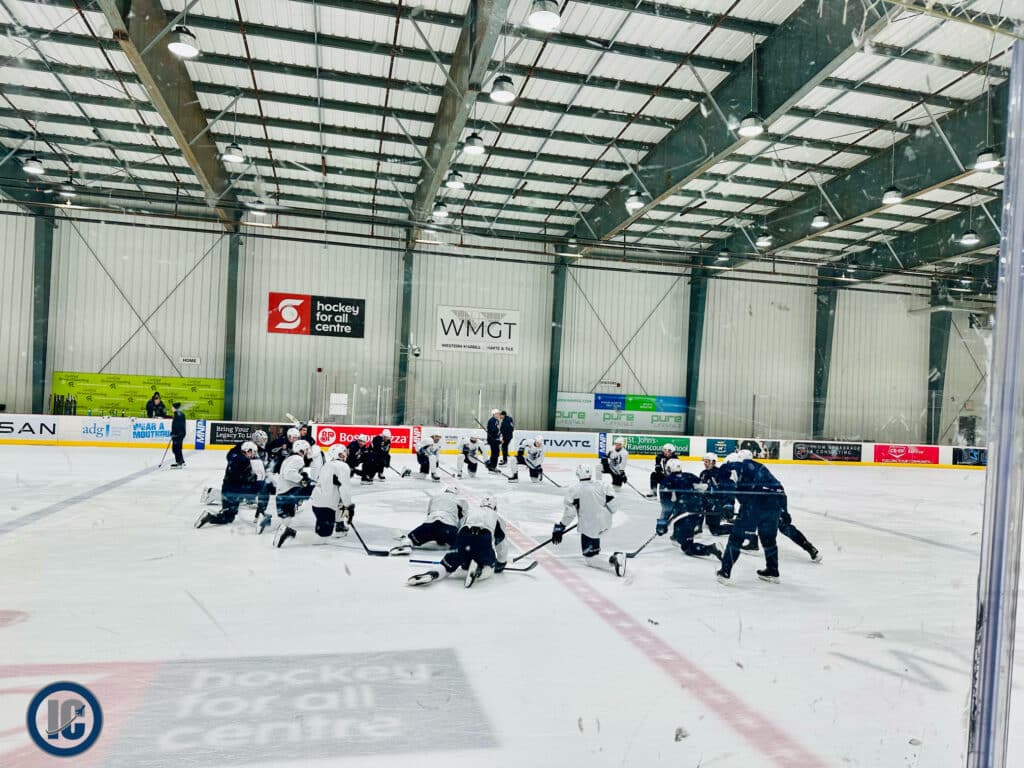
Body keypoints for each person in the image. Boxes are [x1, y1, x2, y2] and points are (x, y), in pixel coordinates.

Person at [716, 452, 790, 584]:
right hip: (774, 505)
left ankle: (725, 572)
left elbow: (728, 484)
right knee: (768, 539)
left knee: (736, 538)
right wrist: (784, 511)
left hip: (754, 504)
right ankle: (773, 571)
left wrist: (728, 504)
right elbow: (779, 488)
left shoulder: (730, 466)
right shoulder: (760, 467)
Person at [407, 494, 508, 588]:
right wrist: (501, 563)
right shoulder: (497, 518)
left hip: (463, 537)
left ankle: (432, 574)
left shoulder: (471, 512)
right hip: (482, 537)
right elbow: (502, 544)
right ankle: (478, 573)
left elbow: (460, 528)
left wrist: (463, 558)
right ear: (495, 507)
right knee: (489, 567)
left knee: (446, 565)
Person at [273, 444, 354, 548]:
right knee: (322, 538)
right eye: (344, 452)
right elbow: (345, 489)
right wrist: (349, 506)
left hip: (317, 504)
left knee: (326, 526)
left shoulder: (327, 465)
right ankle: (289, 532)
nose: (346, 454)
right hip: (327, 506)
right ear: (340, 454)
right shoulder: (343, 466)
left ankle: (339, 526)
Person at [554, 464, 626, 577]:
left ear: (578, 474)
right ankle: (602, 553)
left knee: (590, 558)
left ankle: (614, 559)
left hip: (589, 527)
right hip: (605, 524)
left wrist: (561, 526)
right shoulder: (603, 485)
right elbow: (614, 507)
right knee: (594, 543)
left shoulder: (574, 490)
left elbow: (570, 514)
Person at [655, 459, 722, 560]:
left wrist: (661, 524)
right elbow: (706, 488)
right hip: (698, 510)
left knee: (687, 547)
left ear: (668, 469)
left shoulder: (666, 482)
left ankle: (713, 548)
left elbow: (667, 507)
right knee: (681, 525)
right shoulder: (690, 476)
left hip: (685, 513)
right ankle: (694, 530)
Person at [194, 441, 263, 528]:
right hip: (232, 491)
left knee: (231, 512)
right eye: (253, 452)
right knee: (228, 517)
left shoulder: (236, 456)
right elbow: (240, 477)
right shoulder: (243, 461)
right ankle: (209, 517)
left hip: (231, 488)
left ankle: (222, 509)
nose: (254, 455)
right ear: (247, 451)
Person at [257, 439, 315, 533]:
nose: (308, 451)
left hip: (282, 492)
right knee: (313, 487)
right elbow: (289, 473)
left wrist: (302, 476)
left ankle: (265, 520)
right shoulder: (298, 459)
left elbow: (288, 473)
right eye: (306, 449)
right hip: (289, 492)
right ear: (301, 450)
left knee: (287, 517)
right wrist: (302, 480)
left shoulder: (290, 458)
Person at [391, 486, 468, 556]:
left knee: (410, 539)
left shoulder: (435, 497)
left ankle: (406, 546)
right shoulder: (461, 500)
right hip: (447, 527)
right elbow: (462, 521)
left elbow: (429, 514)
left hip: (430, 525)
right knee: (460, 544)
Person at [697, 453, 735, 536]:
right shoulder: (703, 473)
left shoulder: (720, 473)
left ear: (713, 462)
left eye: (707, 461)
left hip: (716, 503)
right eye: (704, 462)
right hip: (706, 501)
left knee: (715, 531)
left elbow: (726, 491)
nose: (705, 464)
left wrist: (726, 504)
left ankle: (737, 527)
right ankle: (697, 526)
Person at [169, 402, 186, 468]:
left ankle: (179, 462)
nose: (171, 408)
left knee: (175, 449)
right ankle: (181, 461)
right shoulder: (180, 414)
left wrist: (174, 433)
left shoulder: (177, 415)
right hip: (180, 434)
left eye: (172, 407)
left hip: (178, 434)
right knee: (178, 448)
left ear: (175, 408)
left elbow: (177, 425)